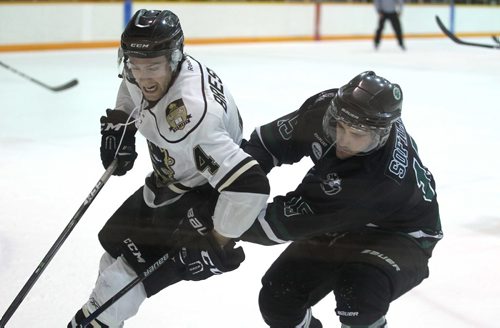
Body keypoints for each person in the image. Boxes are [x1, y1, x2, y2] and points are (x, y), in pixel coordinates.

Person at [67, 9, 270, 327]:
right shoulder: (148, 71)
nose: (142, 75)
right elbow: (131, 85)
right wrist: (122, 122)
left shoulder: (192, 115)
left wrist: (216, 241)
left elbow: (248, 186)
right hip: (167, 182)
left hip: (197, 197)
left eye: (152, 67)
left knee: (122, 280)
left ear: (174, 59)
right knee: (113, 256)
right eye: (134, 64)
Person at [239, 71, 442, 327]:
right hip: (347, 221)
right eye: (339, 126)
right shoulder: (327, 107)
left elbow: (277, 224)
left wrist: (216, 219)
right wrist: (233, 182)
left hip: (404, 235)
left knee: (359, 294)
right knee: (278, 299)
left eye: (357, 135)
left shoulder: (376, 180)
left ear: (381, 133)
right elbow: (267, 145)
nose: (343, 140)